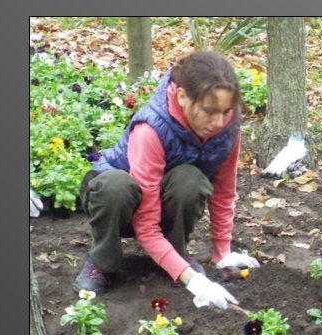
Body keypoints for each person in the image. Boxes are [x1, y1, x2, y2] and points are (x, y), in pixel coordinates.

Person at [74, 51, 259, 309]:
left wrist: (223, 254)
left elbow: (224, 193)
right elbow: (146, 225)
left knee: (190, 180)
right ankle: (102, 262)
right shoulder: (151, 128)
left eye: (226, 111)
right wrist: (194, 281)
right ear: (182, 97)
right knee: (115, 187)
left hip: (163, 198)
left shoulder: (228, 129)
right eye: (209, 111)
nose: (218, 122)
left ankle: (174, 257)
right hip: (119, 205)